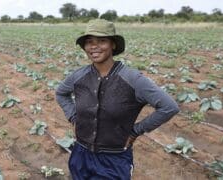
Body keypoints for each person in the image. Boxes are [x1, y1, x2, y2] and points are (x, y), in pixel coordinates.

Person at [56, 19, 179, 180]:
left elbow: (169, 107)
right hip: (80, 154)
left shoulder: (132, 79)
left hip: (113, 160)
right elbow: (61, 93)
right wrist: (73, 118)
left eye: (102, 41)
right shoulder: (79, 76)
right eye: (89, 42)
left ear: (113, 44)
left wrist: (135, 131)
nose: (94, 46)